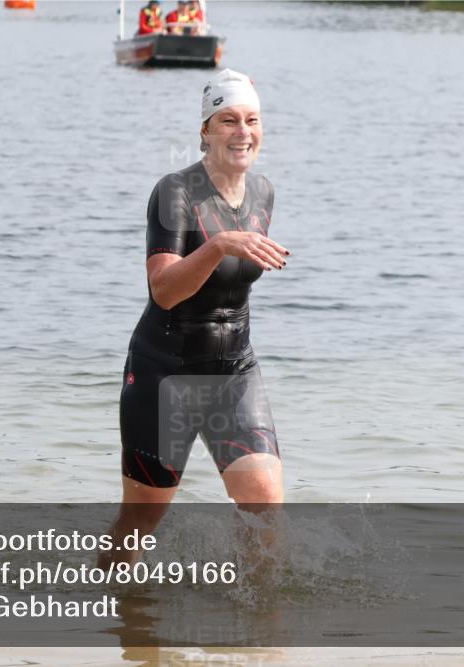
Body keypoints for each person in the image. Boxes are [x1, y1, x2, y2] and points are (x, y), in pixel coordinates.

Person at [101, 70, 289, 568]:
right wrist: (220, 244)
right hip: (166, 372)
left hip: (234, 372)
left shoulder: (263, 193)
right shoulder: (175, 193)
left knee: (264, 502)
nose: (242, 132)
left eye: (251, 120)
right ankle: (118, 618)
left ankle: (251, 617)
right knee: (140, 525)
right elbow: (163, 291)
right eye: (228, 120)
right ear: (206, 129)